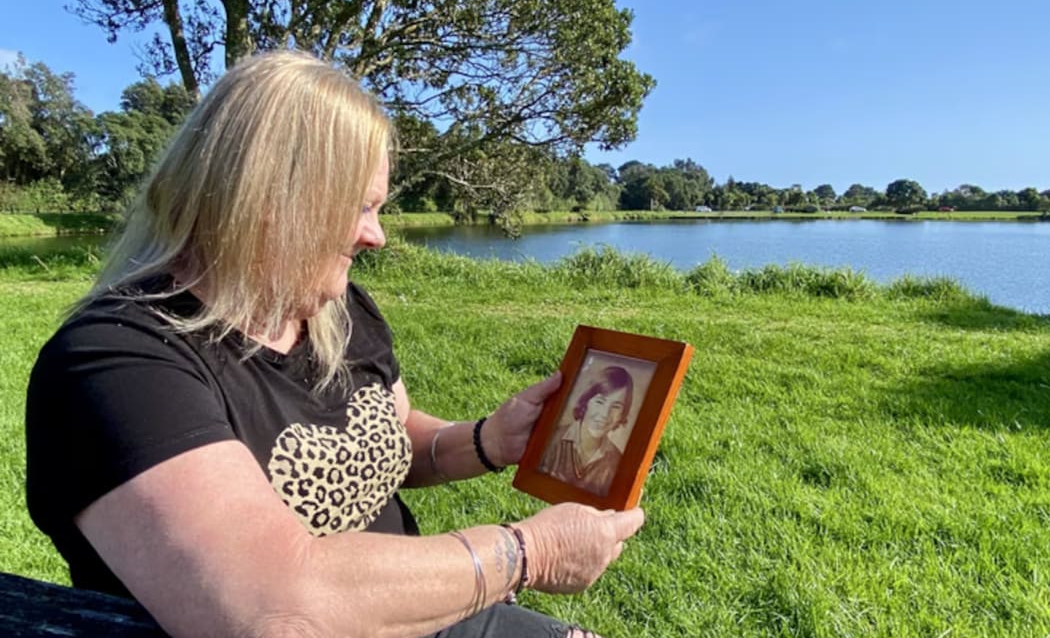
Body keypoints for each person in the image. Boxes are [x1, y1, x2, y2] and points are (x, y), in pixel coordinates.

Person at [23, 50, 644, 638]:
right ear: (271, 200)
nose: (376, 235)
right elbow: (276, 608)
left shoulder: (334, 313)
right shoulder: (116, 362)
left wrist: (487, 439)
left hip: (419, 612)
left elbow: (396, 439)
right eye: (361, 207)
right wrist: (528, 553)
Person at [539, 366, 634, 496]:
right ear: (586, 402)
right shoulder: (550, 439)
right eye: (600, 402)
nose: (605, 414)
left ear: (622, 415)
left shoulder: (617, 463)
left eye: (616, 407)